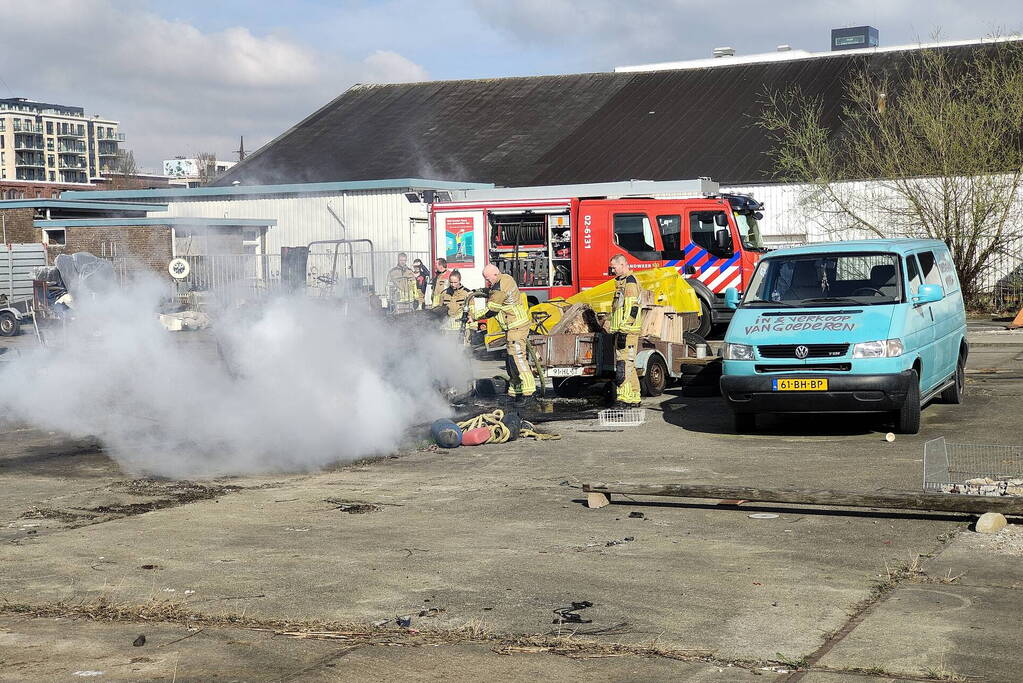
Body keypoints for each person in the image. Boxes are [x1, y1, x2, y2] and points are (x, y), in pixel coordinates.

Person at [481, 264, 536, 404]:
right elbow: (495, 293)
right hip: (512, 328)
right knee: (511, 362)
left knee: (518, 359)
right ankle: (515, 393)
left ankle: (529, 393)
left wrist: (474, 316)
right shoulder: (504, 279)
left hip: (516, 327)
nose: (488, 282)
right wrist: (485, 291)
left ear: (494, 274)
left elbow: (492, 310)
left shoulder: (500, 286)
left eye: (488, 279)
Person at [609, 254, 643, 407]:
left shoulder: (629, 282)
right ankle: (634, 396)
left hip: (627, 331)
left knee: (624, 365)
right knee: (630, 364)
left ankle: (624, 398)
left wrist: (623, 329)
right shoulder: (622, 282)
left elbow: (632, 308)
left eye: (614, 267)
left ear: (623, 265)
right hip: (623, 330)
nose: (612, 270)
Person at [439, 269, 470, 333]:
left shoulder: (467, 293)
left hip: (462, 328)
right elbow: (440, 310)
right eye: (451, 282)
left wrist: (472, 328)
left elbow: (472, 312)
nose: (453, 285)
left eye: (455, 282)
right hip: (447, 329)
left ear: (459, 281)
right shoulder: (444, 293)